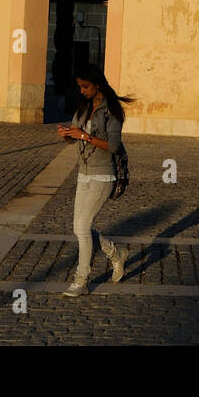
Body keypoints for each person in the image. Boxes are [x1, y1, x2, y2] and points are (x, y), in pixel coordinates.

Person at [56, 62, 133, 296]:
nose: (82, 91)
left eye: (85, 86)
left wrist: (84, 136)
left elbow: (113, 145)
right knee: (79, 228)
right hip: (84, 173)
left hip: (103, 174)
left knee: (82, 226)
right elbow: (76, 135)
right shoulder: (84, 106)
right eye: (80, 87)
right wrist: (68, 134)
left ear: (97, 85)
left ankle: (81, 279)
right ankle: (115, 253)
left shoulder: (112, 110)